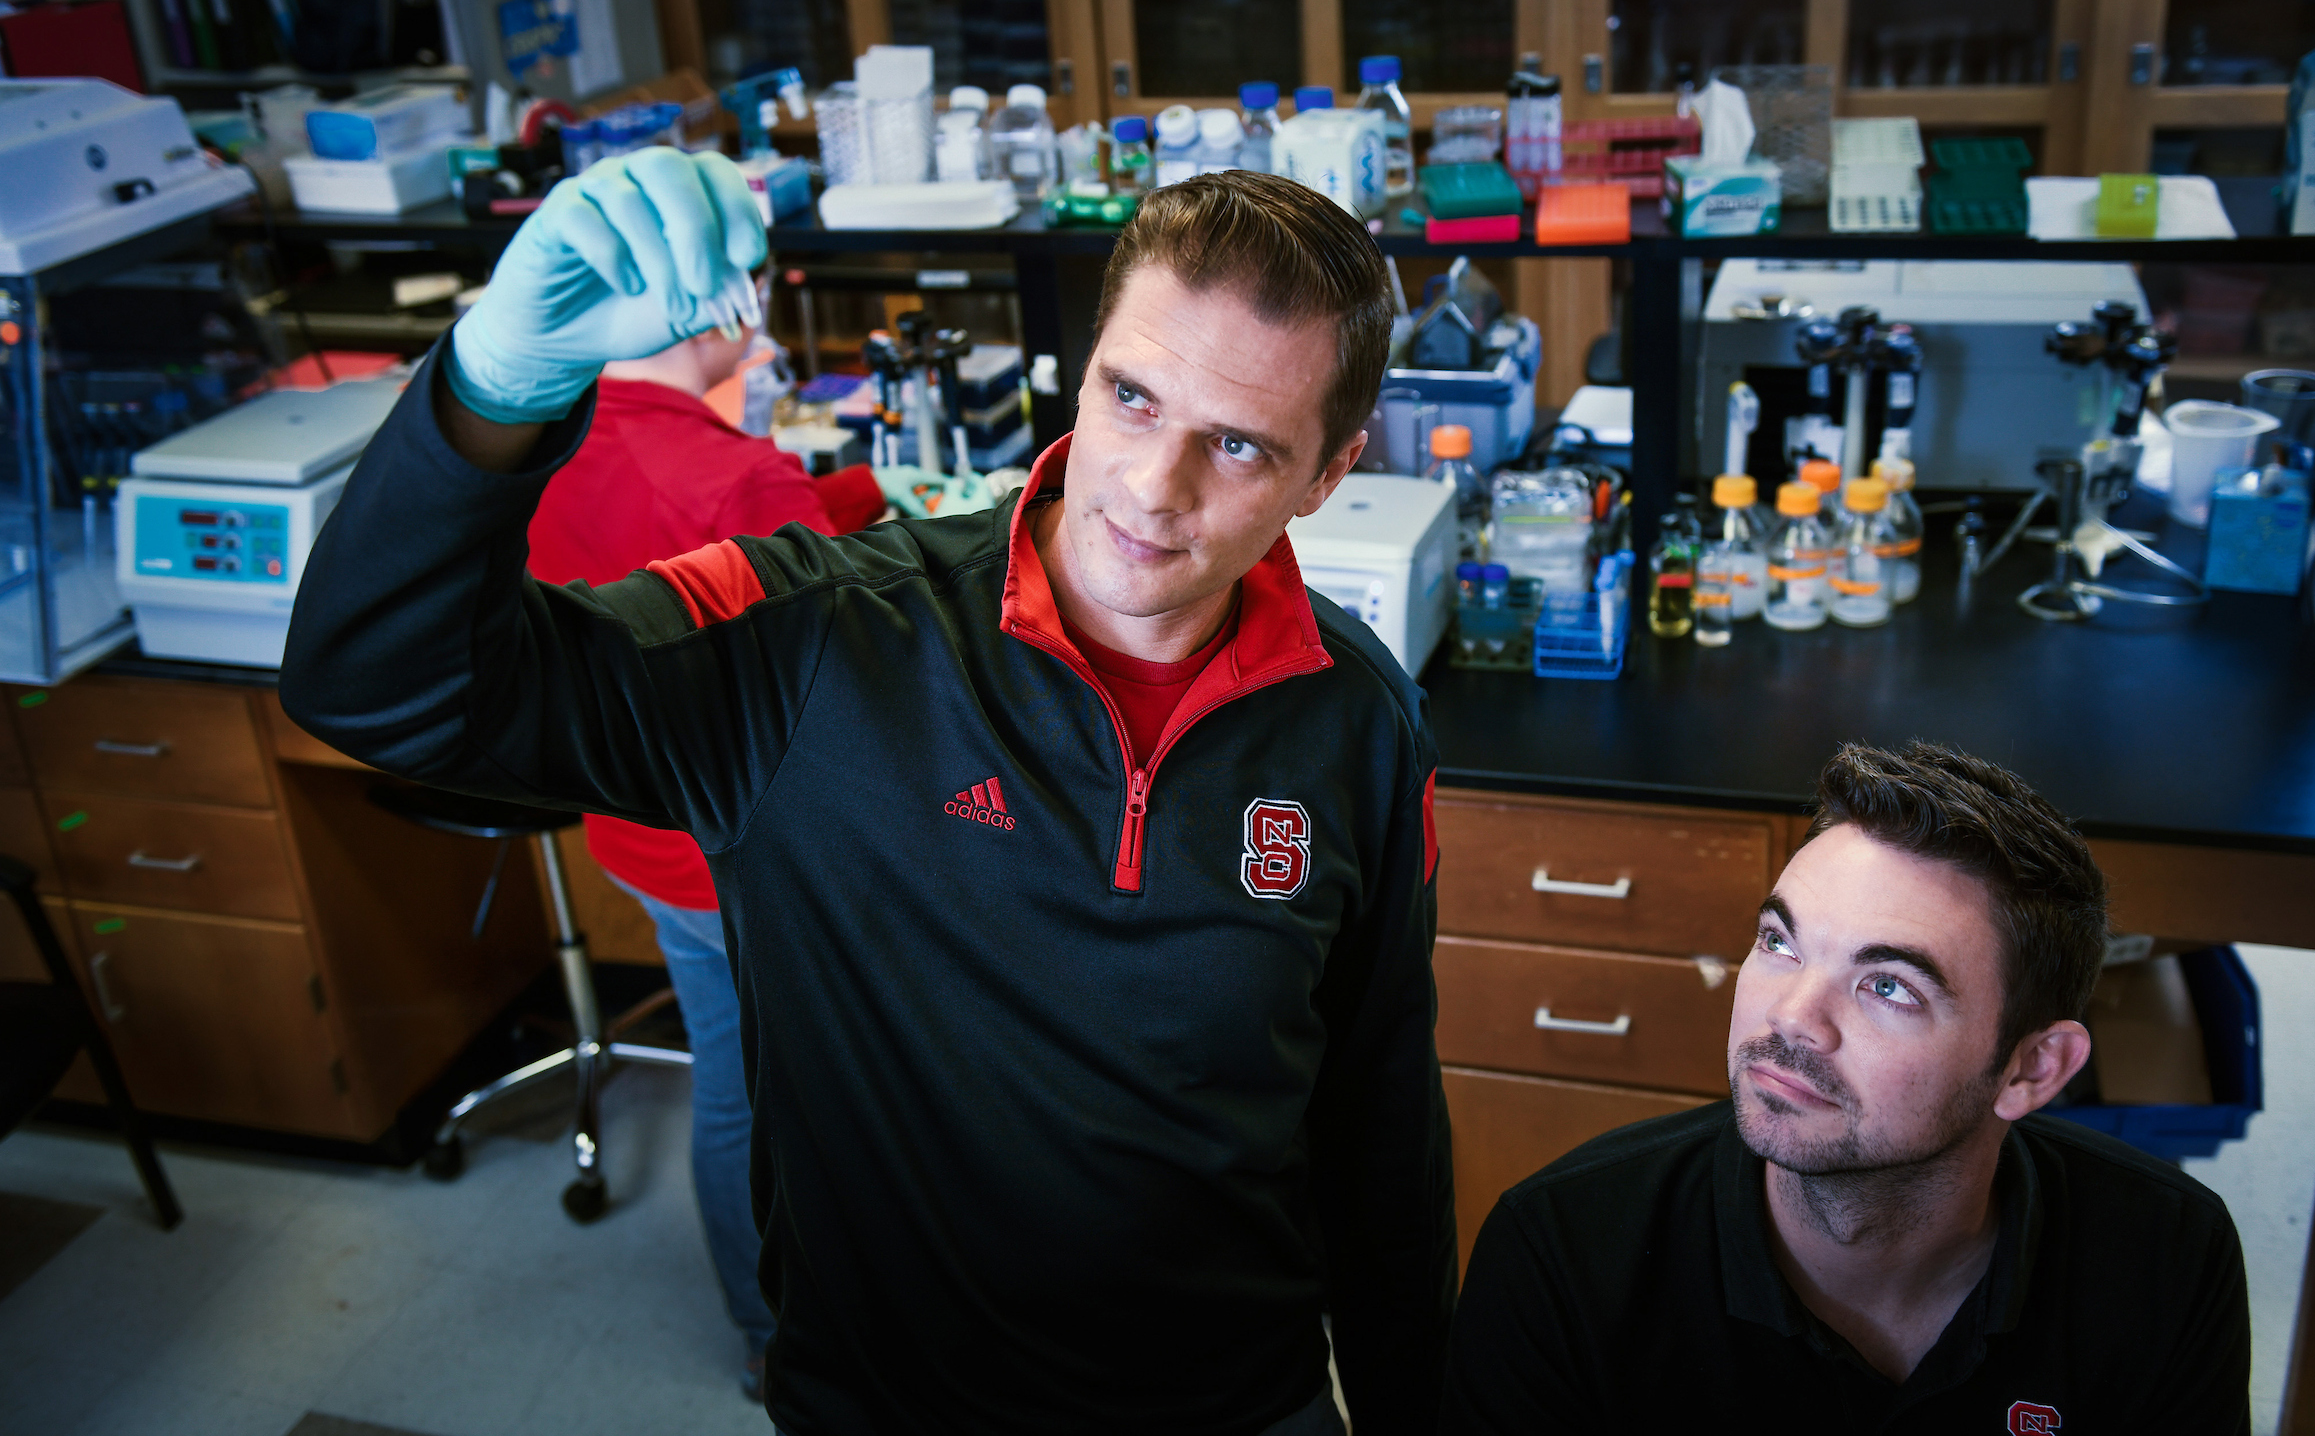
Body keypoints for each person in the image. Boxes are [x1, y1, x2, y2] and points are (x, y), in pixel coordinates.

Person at [281, 151, 1452, 1434]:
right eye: (1130, 397)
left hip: (1235, 1403)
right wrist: (492, 389)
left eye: (1236, 445)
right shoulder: (816, 638)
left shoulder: (1357, 714)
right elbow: (378, 688)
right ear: (1088, 364)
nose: (1154, 490)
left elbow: (1377, 1113)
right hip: (891, 1404)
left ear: (1325, 475)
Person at [1443, 741, 2251, 1435]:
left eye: (1889, 986)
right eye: (1779, 943)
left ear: (2031, 1068)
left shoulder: (2168, 1260)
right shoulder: (1561, 1255)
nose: (1792, 1017)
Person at [523, 318, 883, 1400]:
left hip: (636, 828)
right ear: (715, 309)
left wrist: (837, 493)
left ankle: (763, 1323)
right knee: (784, 1090)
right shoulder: (738, 478)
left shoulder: (546, 438)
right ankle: (786, 1330)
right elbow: (849, 654)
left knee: (733, 1078)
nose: (765, 318)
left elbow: (722, 576)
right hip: (746, 851)